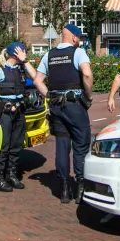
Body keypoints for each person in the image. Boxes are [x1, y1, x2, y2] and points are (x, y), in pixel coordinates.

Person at [34, 24, 93, 204]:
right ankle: (81, 187)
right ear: (75, 38)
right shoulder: (78, 53)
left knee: (62, 146)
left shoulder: (48, 55)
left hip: (57, 107)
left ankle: (65, 188)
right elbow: (87, 75)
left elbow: (37, 80)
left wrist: (50, 96)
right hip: (74, 105)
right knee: (81, 145)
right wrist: (88, 96)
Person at [0, 42, 40, 192]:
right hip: (5, 112)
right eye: (23, 52)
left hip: (19, 111)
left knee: (16, 145)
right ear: (14, 54)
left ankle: (11, 174)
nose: (25, 54)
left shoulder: (22, 69)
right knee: (3, 146)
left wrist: (26, 61)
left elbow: (36, 78)